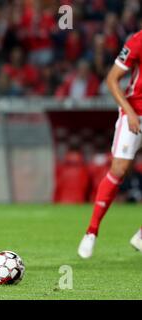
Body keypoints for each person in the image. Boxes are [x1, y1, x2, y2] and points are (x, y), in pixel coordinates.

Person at [78, 31, 142, 259]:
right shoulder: (137, 41)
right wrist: (131, 113)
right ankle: (91, 232)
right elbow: (112, 79)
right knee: (119, 170)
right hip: (134, 112)